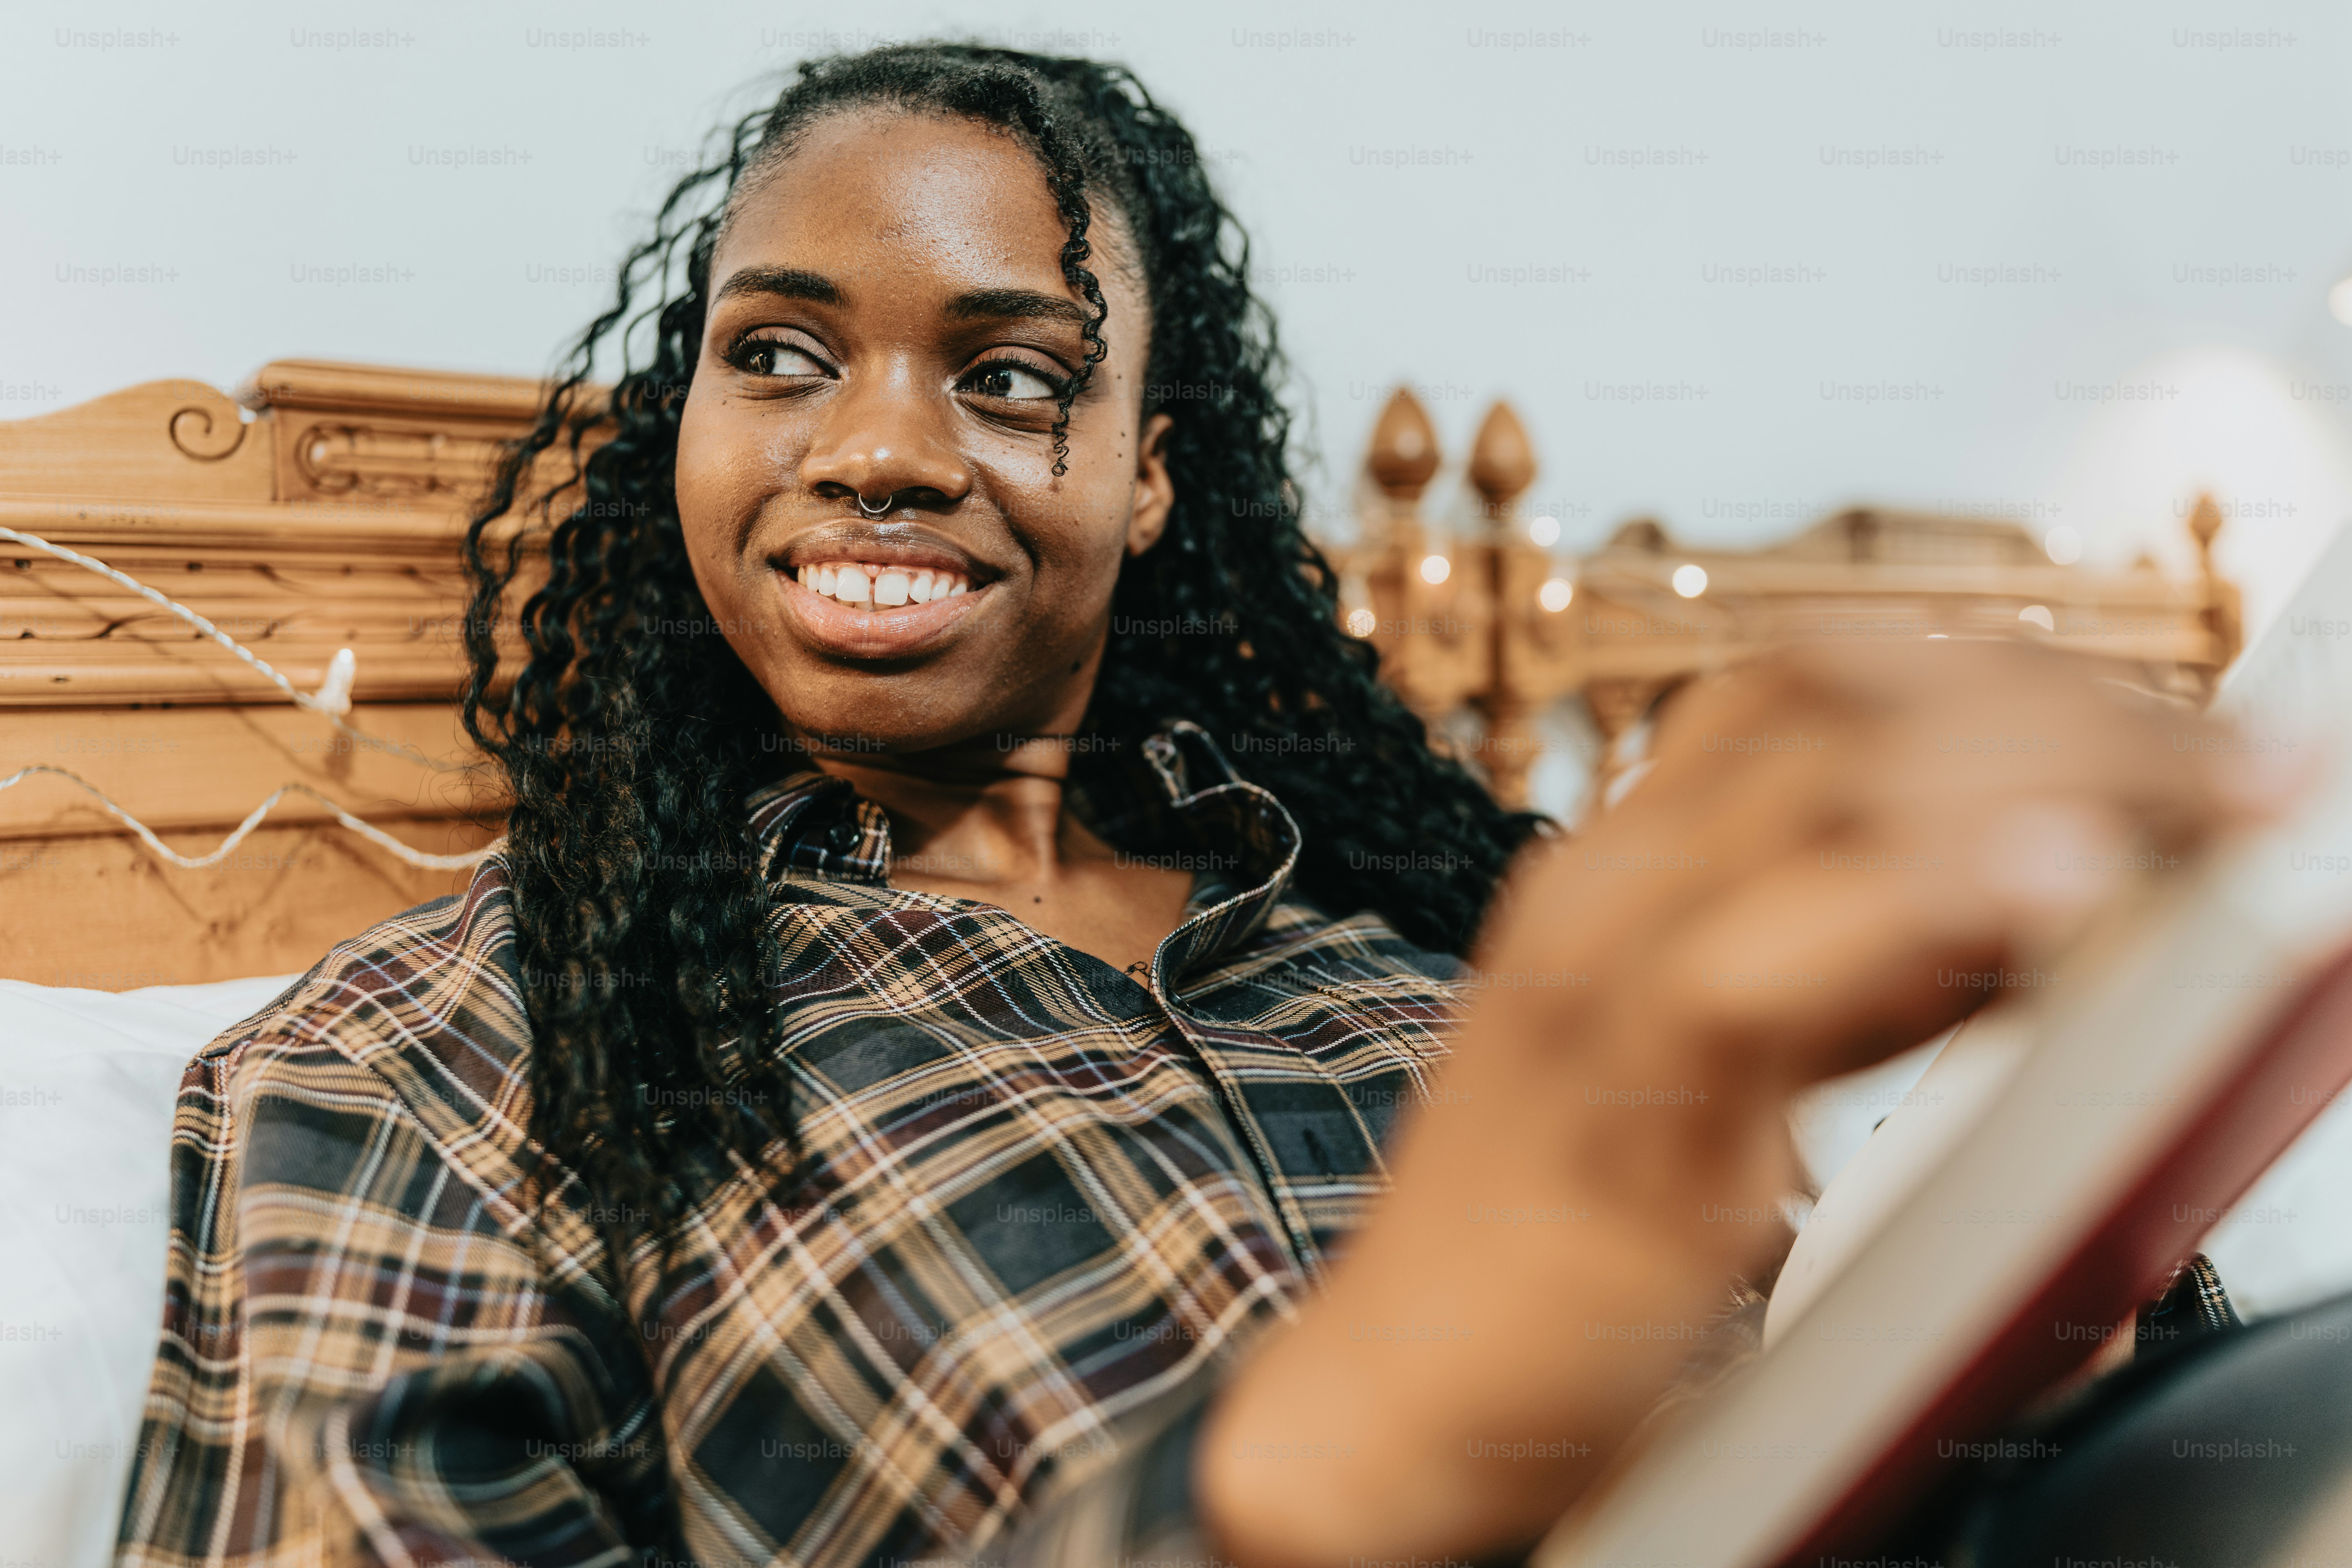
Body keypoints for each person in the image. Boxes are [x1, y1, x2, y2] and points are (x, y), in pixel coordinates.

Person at [114, 44, 2285, 1568]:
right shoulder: (431, 1064)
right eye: (777, 355)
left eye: (1011, 376)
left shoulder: (1466, 950)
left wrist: (2037, 1291)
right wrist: (1308, 1473)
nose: (876, 446)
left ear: (1147, 478)